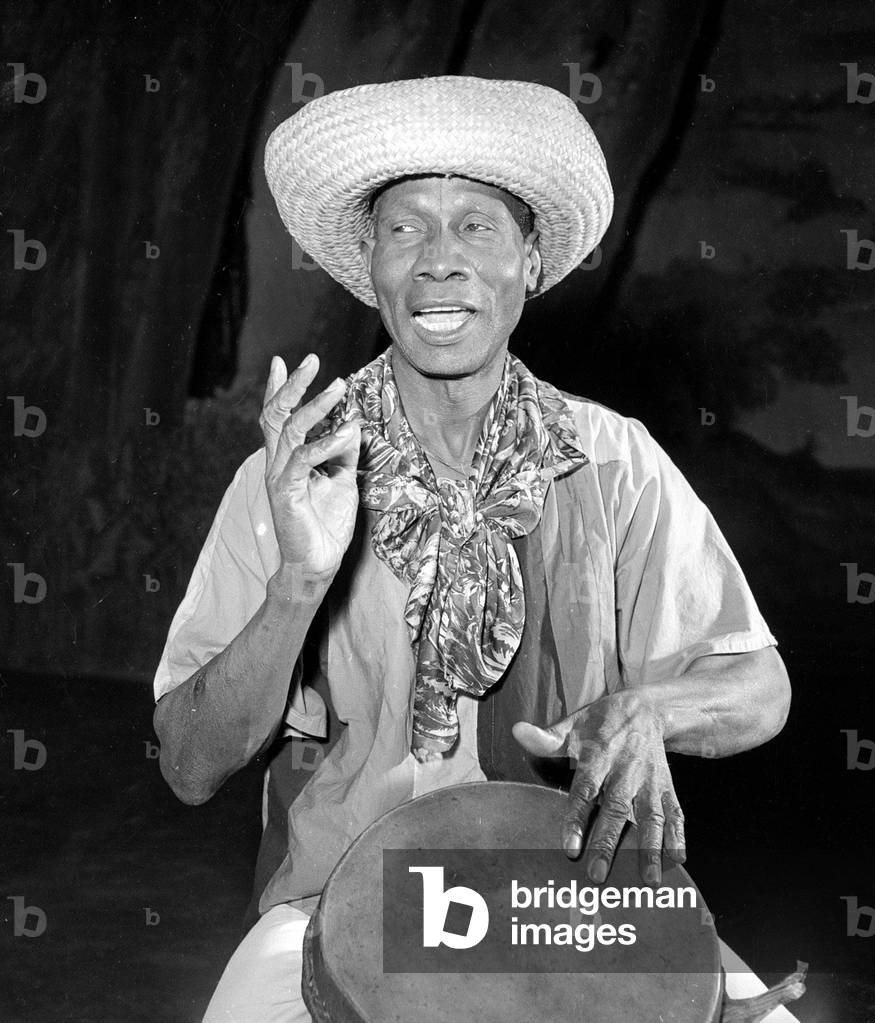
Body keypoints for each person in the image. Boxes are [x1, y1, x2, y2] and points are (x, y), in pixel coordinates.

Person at [152, 76, 791, 1023]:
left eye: (477, 229)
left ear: (530, 262)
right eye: (405, 229)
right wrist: (299, 581)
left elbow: (759, 688)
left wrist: (650, 709)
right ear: (370, 263)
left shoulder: (613, 461)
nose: (438, 263)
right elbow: (188, 764)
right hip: (340, 900)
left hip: (569, 898)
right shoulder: (295, 476)